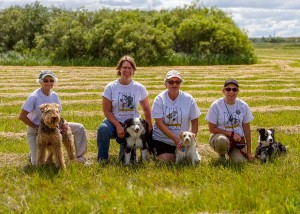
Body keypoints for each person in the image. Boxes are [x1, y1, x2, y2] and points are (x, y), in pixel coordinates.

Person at [18, 70, 88, 165]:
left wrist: (63, 124)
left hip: (54, 125)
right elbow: (22, 116)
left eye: (51, 80)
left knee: (79, 127)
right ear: (40, 82)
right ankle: (33, 153)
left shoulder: (54, 95)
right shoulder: (34, 97)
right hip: (35, 129)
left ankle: (79, 157)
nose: (49, 83)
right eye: (45, 80)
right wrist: (36, 127)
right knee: (35, 163)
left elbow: (58, 114)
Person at [96, 55, 152, 163]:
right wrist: (118, 126)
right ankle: (102, 159)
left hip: (132, 125)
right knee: (103, 129)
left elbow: (146, 109)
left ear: (133, 70)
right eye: (124, 67)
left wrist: (149, 127)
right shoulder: (111, 87)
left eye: (130, 68)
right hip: (114, 122)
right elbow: (106, 111)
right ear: (119, 69)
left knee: (126, 161)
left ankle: (130, 154)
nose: (127, 70)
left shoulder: (139, 87)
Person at [151, 70, 201, 161]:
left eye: (177, 82)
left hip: (183, 141)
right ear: (165, 84)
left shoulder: (188, 99)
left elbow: (195, 121)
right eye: (171, 82)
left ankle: (186, 154)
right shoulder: (159, 99)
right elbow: (159, 123)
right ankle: (157, 152)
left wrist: (193, 141)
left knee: (187, 159)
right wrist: (175, 139)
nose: (174, 84)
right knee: (165, 160)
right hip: (162, 139)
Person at [206, 79, 254, 162]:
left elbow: (247, 130)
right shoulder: (216, 106)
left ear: (238, 91)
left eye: (234, 89)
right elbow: (212, 129)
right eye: (228, 89)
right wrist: (231, 134)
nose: (231, 92)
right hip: (220, 136)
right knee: (221, 141)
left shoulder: (243, 106)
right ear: (223, 91)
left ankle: (232, 153)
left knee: (240, 162)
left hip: (238, 140)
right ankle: (222, 155)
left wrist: (249, 152)